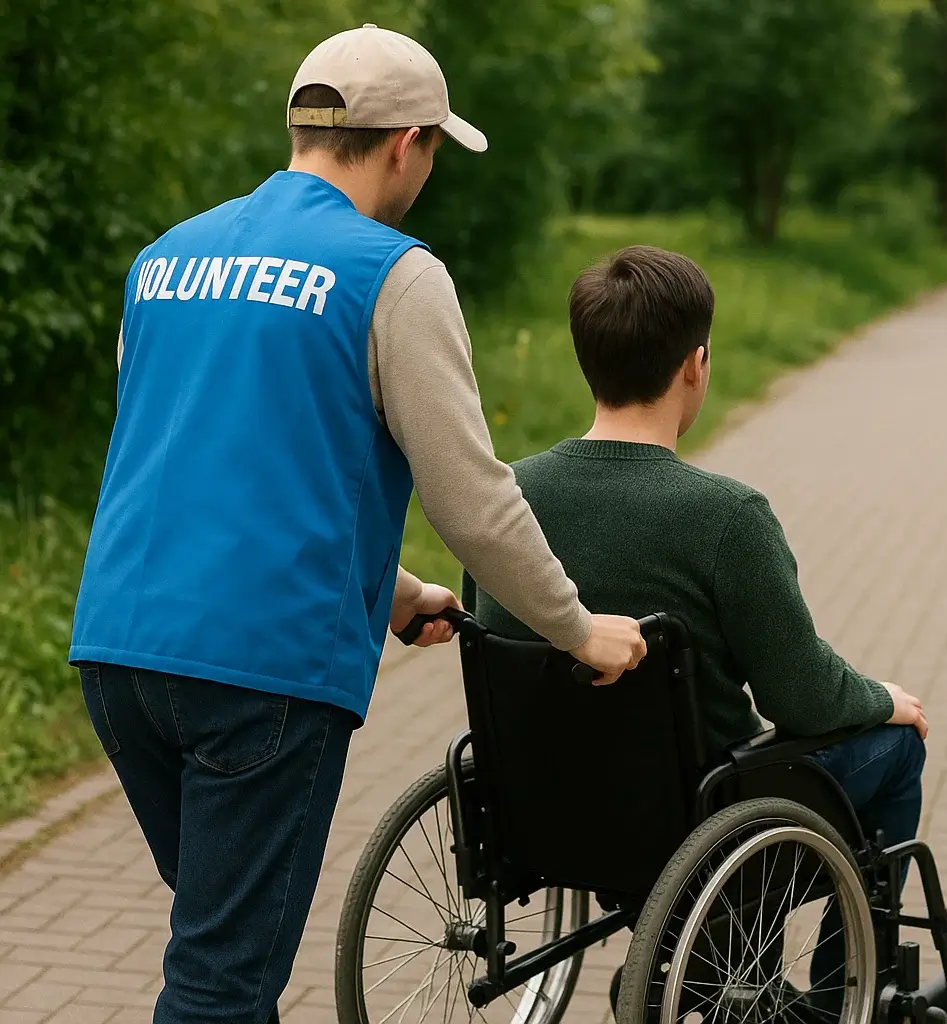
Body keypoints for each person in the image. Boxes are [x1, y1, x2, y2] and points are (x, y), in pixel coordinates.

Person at [68, 25, 646, 1024]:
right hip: (259, 678)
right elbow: (472, 500)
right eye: (430, 152)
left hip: (121, 654)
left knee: (219, 943)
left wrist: (391, 593)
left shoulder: (164, 260)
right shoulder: (393, 273)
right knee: (222, 982)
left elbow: (202, 467)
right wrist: (575, 625)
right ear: (406, 142)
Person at [466, 245, 928, 1017]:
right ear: (696, 364)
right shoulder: (725, 517)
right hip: (697, 813)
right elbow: (804, 697)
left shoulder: (506, 496)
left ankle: (709, 957)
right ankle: (827, 994)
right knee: (895, 747)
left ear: (587, 359)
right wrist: (883, 700)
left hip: (543, 800)